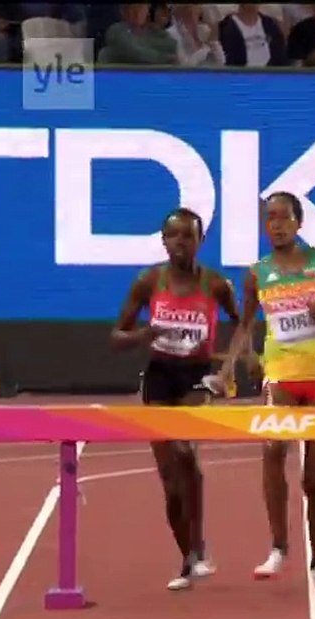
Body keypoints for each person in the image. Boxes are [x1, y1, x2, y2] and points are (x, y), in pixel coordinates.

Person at [224, 192, 315, 593]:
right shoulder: (257, 272)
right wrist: (233, 363)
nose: (277, 225)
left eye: (284, 218)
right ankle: (278, 547)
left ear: (299, 223)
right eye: (270, 219)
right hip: (281, 374)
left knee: (314, 477)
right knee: (272, 453)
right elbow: (244, 325)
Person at [111, 208, 240, 591]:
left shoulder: (216, 285)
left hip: (196, 377)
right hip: (160, 377)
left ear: (201, 241)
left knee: (185, 450)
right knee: (169, 479)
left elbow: (244, 323)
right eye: (174, 236)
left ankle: (199, 545)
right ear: (163, 240)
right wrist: (143, 335)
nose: (180, 243)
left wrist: (229, 366)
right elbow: (116, 336)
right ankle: (188, 555)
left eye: (188, 236)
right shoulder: (149, 281)